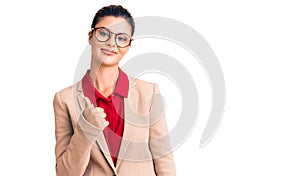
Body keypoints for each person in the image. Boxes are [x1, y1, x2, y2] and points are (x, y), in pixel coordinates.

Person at [53, 5, 176, 176]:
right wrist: (86, 129)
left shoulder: (148, 93)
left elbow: (164, 162)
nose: (112, 43)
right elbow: (65, 173)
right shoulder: (64, 99)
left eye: (122, 38)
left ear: (128, 45)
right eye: (103, 33)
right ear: (91, 36)